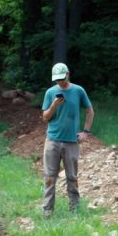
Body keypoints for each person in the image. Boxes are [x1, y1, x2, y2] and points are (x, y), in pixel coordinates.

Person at [40, 63, 94, 215]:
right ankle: (47, 210)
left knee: (72, 176)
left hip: (71, 141)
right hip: (53, 140)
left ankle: (75, 209)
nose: (60, 82)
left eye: (62, 79)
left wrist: (85, 132)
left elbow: (90, 111)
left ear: (68, 74)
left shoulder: (78, 91)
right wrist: (54, 106)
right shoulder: (50, 93)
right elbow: (45, 117)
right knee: (50, 176)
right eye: (57, 80)